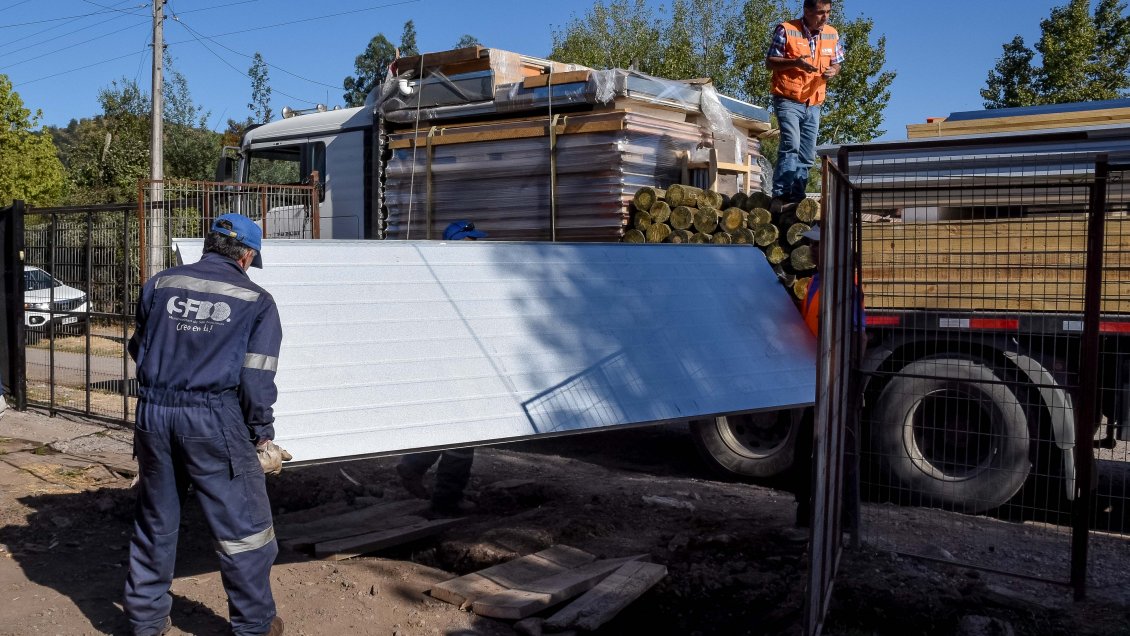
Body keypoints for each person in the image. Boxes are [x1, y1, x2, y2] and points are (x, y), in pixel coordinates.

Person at [124, 213, 289, 636]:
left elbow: (138, 348)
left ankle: (145, 623)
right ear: (247, 256)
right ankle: (254, 626)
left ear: (208, 246)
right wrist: (260, 431)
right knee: (246, 529)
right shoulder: (257, 301)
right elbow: (255, 378)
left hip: (153, 415)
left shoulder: (160, 284)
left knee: (156, 520)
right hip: (214, 419)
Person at [397, 219, 486, 518]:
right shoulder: (451, 279)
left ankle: (412, 466)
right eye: (471, 241)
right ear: (453, 244)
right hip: (453, 365)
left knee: (451, 427)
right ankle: (446, 502)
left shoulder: (451, 276)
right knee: (465, 433)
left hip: (453, 365)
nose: (477, 246)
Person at [766, 0, 844, 209]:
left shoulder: (831, 33)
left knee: (807, 153)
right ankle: (781, 195)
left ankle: (797, 197)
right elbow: (770, 62)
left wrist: (833, 71)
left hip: (815, 102)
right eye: (820, 13)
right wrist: (795, 62)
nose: (825, 17)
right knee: (791, 145)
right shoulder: (787, 30)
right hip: (788, 99)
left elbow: (837, 62)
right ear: (807, 11)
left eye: (828, 12)